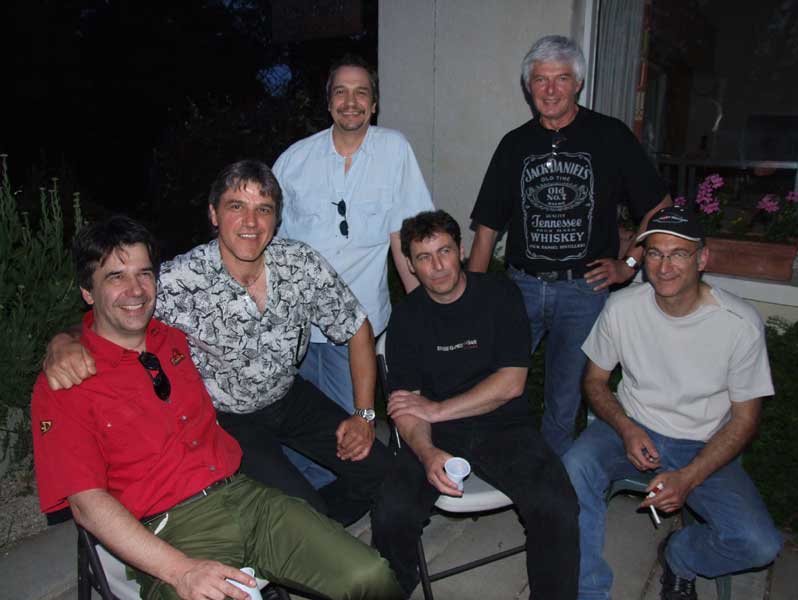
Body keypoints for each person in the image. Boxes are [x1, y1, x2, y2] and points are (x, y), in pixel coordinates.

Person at [31, 215, 403, 600]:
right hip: (168, 532)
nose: (136, 289)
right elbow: (87, 506)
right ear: (87, 292)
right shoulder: (65, 384)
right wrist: (180, 570)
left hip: (245, 496)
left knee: (370, 576)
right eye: (115, 277)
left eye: (144, 273)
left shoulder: (175, 337)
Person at [43, 160, 389, 527]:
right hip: (227, 419)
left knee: (387, 474)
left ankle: (336, 533)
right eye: (236, 206)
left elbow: (356, 325)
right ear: (214, 214)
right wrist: (64, 340)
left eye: (263, 209)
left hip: (289, 396)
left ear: (276, 219)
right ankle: (305, 531)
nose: (251, 222)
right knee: (306, 517)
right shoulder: (181, 280)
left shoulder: (300, 264)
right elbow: (116, 309)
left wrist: (364, 415)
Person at [562, 206, 783, 600]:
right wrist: (626, 428)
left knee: (759, 544)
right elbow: (594, 381)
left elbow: (745, 419)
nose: (664, 267)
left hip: (703, 443)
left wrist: (690, 476)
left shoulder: (739, 323)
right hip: (630, 426)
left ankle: (680, 556)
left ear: (702, 259)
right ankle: (587, 591)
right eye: (655, 253)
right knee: (574, 467)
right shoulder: (622, 307)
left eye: (678, 253)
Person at [467, 35, 671, 456]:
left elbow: (659, 207)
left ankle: (552, 481)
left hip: (583, 291)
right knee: (490, 381)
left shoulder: (610, 136)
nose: (550, 90)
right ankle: (492, 460)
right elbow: (486, 229)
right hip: (522, 287)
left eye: (561, 78)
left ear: (578, 83)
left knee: (564, 401)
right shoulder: (514, 145)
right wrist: (470, 301)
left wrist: (629, 264)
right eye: (540, 80)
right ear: (528, 87)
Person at [370, 210, 579, 599]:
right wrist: (427, 452)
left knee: (557, 506)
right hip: (435, 435)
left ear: (462, 250)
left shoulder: (500, 295)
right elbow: (405, 407)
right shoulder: (407, 319)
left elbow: (511, 384)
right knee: (390, 512)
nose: (437, 266)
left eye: (444, 251)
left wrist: (436, 408)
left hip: (505, 426)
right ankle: (392, 589)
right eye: (424, 257)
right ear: (411, 266)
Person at [273, 54, 434, 487]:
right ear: (328, 102)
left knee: (346, 431)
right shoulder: (294, 161)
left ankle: (330, 507)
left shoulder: (394, 150)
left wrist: (423, 311)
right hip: (295, 328)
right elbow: (268, 245)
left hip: (355, 333)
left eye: (361, 92)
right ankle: (302, 506)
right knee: (293, 429)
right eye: (341, 92)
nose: (351, 101)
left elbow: (405, 238)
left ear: (374, 104)